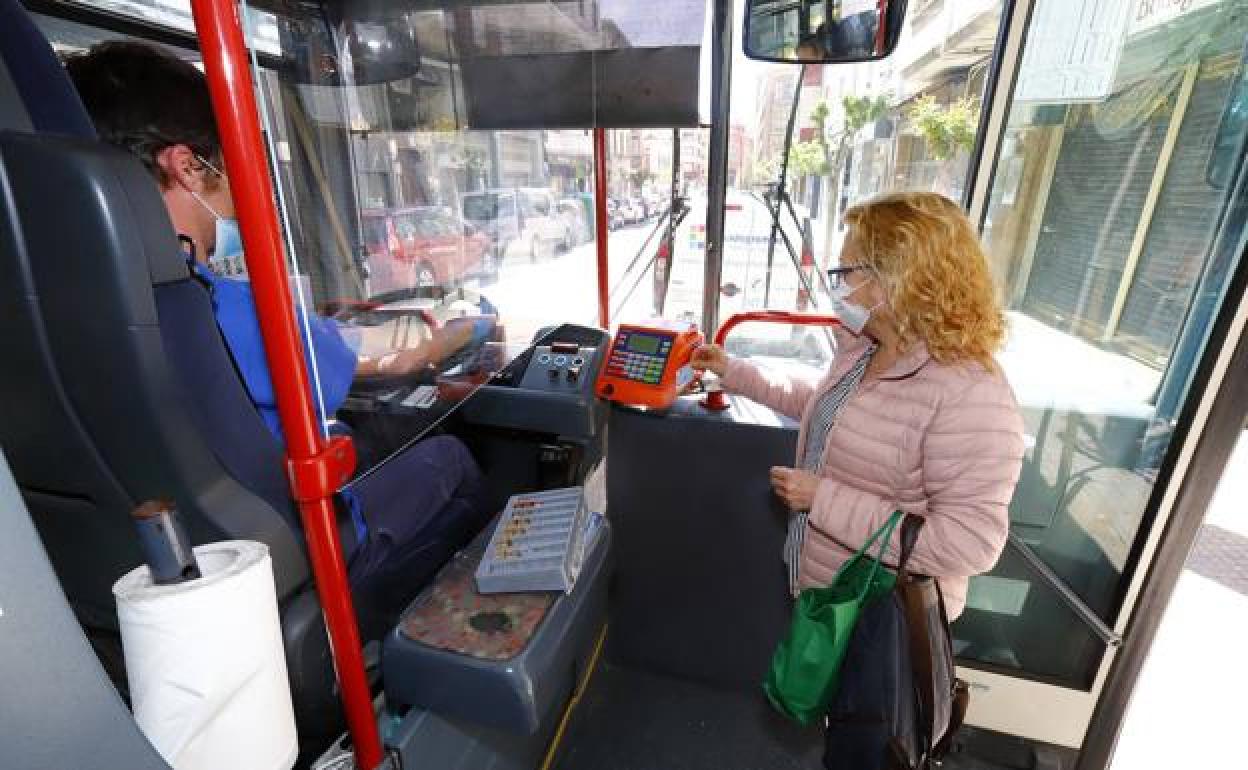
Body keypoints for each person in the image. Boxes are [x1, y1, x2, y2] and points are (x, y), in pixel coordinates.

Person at [65, 41, 491, 609]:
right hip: (298, 553)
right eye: (228, 165)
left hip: (163, 566)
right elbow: (390, 366)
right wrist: (455, 336)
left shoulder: (70, 310)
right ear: (187, 164)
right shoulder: (216, 304)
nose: (240, 191)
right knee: (449, 459)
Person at [691, 192, 1024, 761]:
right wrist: (733, 371)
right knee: (839, 730)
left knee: (866, 742)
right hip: (828, 588)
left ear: (903, 278)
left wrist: (825, 500)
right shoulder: (868, 348)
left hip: (879, 617)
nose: (839, 285)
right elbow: (820, 408)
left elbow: (972, 541)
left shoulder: (970, 393)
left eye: (849, 271)